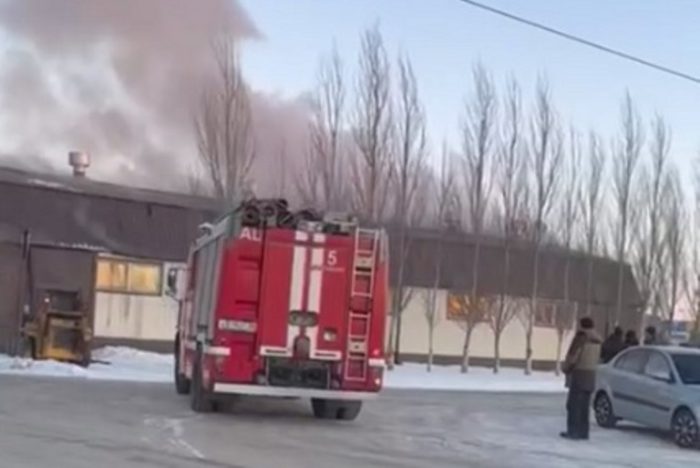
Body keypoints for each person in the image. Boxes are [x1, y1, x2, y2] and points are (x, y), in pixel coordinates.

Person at [561, 317, 602, 441]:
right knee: (584, 406)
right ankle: (584, 432)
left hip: (579, 373)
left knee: (573, 405)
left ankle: (573, 431)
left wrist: (566, 367)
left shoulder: (581, 338)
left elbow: (574, 355)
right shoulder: (598, 340)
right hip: (591, 374)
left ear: (582, 325)